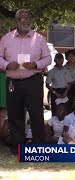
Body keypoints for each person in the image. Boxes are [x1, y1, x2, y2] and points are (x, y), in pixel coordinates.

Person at [0, 9, 52, 154]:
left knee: (36, 113)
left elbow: (48, 58)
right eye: (22, 18)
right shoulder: (6, 38)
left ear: (31, 20)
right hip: (13, 82)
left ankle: (38, 146)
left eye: (28, 18)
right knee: (15, 114)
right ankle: (18, 146)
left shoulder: (39, 39)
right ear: (17, 21)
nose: (25, 21)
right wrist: (6, 65)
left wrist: (36, 64)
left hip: (33, 81)